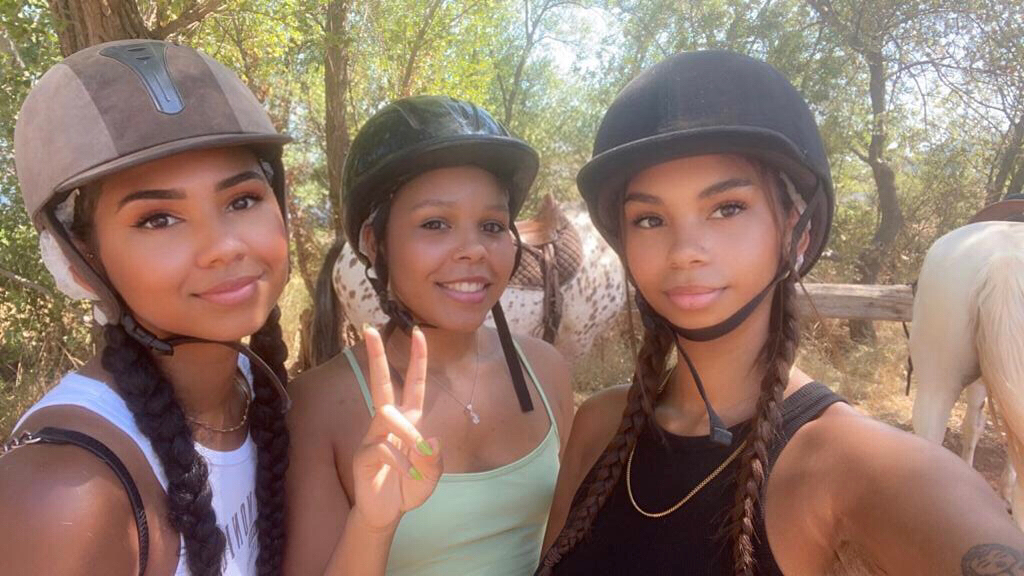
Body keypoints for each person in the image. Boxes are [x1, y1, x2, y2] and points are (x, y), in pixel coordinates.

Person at [538, 50, 1024, 575]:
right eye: (650, 219)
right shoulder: (598, 426)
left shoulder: (861, 467)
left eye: (727, 208)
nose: (685, 251)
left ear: (798, 232)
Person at [0, 40, 292, 576]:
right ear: (78, 262)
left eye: (242, 200)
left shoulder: (263, 392)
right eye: (158, 218)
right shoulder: (60, 494)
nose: (225, 246)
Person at [285, 95, 573, 576]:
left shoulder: (546, 370)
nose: (473, 250)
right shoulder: (318, 405)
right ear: (375, 243)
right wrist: (372, 526)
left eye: (492, 225)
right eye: (435, 224)